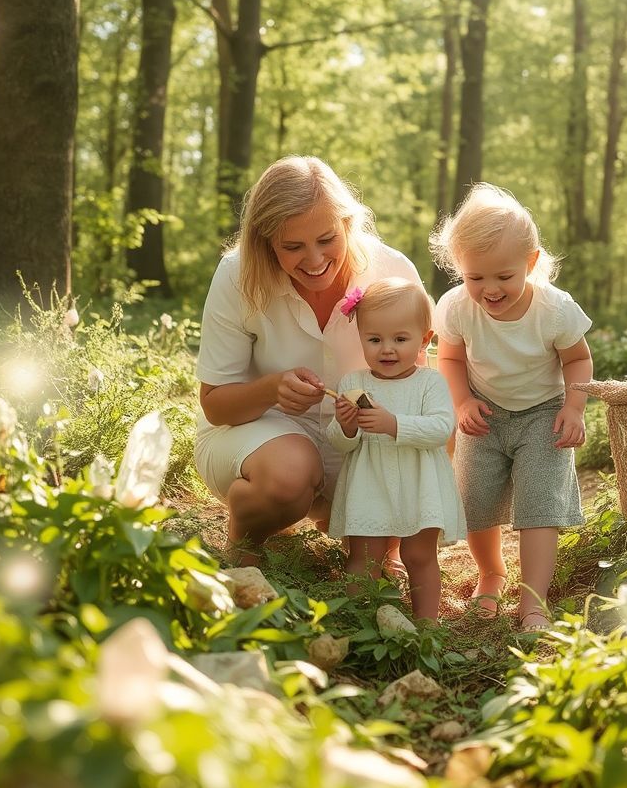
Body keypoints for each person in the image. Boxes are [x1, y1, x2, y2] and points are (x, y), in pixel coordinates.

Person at [195, 156, 424, 564]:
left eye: (326, 239)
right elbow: (215, 403)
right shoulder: (236, 276)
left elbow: (422, 383)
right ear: (266, 243)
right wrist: (271, 389)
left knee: (370, 560)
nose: (315, 260)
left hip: (359, 434)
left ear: (347, 225)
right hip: (256, 431)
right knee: (289, 476)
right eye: (293, 247)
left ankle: (352, 530)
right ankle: (246, 539)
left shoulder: (391, 270)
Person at [429, 183, 593, 631]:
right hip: (483, 412)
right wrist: (461, 401)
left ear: (531, 262)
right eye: (475, 277)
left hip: (545, 413)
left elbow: (577, 359)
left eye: (504, 276)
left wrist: (574, 408)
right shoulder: (458, 309)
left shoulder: (555, 311)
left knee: (539, 504)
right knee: (476, 500)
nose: (490, 289)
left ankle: (533, 601)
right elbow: (450, 357)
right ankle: (491, 574)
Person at [325, 279, 465, 620]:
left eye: (400, 339)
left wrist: (394, 425)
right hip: (369, 482)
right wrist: (346, 425)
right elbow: (341, 443)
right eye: (374, 339)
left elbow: (441, 428)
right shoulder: (353, 384)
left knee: (419, 556)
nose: (387, 349)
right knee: (364, 559)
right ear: (361, 339)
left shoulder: (429, 382)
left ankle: (426, 626)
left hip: (419, 483)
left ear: (425, 339)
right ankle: (360, 622)